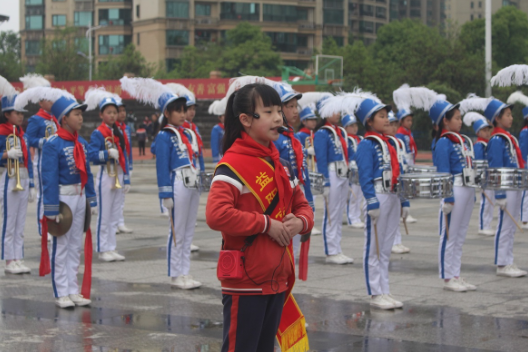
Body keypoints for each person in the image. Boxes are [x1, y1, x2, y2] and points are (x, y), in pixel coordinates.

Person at [206, 83, 312, 352]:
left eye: (280, 110)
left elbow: (304, 206)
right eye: (268, 111)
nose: (279, 118)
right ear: (245, 120)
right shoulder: (231, 166)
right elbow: (216, 215)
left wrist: (300, 223)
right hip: (245, 280)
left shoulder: (280, 164)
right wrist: (266, 224)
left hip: (277, 276)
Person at [121, 77, 201, 288]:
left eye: (184, 109)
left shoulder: (189, 133)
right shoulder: (165, 136)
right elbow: (162, 166)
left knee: (188, 231)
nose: (183, 114)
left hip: (192, 181)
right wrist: (165, 194)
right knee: (176, 230)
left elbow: (195, 158)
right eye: (178, 110)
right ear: (167, 113)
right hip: (177, 182)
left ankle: (185, 271)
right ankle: (176, 274)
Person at [351, 94, 408, 309]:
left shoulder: (390, 142)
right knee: (373, 246)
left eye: (387, 116)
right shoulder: (367, 144)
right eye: (381, 116)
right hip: (378, 194)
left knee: (385, 247)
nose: (387, 120)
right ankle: (375, 293)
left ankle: (385, 289)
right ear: (369, 121)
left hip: (393, 194)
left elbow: (399, 171)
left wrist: (404, 201)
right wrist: (371, 201)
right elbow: (365, 175)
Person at [40, 93, 96, 308]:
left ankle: (73, 289)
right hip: (63, 199)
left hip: (79, 197)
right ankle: (61, 291)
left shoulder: (81, 142)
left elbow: (87, 173)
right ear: (64, 118)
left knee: (75, 245)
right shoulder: (53, 143)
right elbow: (49, 177)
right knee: (61, 245)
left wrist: (91, 198)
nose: (81, 118)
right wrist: (51, 207)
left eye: (81, 114)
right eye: (77, 114)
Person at [431, 98, 478, 292]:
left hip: (467, 187)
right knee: (449, 235)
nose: (460, 121)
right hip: (455, 188)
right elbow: (444, 171)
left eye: (460, 118)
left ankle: (456, 273)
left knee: (460, 234)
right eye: (456, 118)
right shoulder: (443, 142)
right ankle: (447, 276)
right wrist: (447, 196)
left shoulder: (462, 140)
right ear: (445, 121)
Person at [484, 98, 527, 277]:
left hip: (515, 184)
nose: (511, 118)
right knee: (506, 224)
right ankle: (502, 263)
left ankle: (508, 260)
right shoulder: (496, 139)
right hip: (507, 185)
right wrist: (499, 193)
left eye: (511, 114)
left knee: (511, 225)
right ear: (497, 118)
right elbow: (495, 166)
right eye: (507, 115)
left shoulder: (510, 138)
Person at [86, 89, 131, 263]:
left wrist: (126, 177)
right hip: (106, 175)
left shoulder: (118, 132)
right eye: (109, 112)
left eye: (115, 112)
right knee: (104, 215)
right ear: (101, 114)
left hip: (118, 174)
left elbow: (124, 155)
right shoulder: (98, 133)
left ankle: (111, 247)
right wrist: (106, 154)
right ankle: (103, 248)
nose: (113, 115)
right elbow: (91, 155)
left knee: (114, 213)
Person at [272, 83, 314, 260]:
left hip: (297, 192)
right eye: (290, 106)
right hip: (282, 196)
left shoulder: (293, 137)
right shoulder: (275, 137)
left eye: (296, 106)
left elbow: (302, 172)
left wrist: (309, 200)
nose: (295, 111)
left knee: (294, 248)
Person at [0, 76, 35, 275]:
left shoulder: (22, 134)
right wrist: (5, 154)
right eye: (17, 113)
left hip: (22, 175)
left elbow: (28, 160)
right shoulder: (1, 132)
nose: (21, 116)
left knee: (20, 221)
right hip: (8, 176)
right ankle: (8, 260)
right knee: (9, 221)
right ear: (7, 114)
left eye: (22, 113)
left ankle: (18, 257)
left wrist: (30, 184)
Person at [315, 94, 354, 265]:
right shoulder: (323, 133)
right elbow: (321, 159)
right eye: (333, 110)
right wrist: (325, 182)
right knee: (331, 213)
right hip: (331, 173)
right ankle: (331, 250)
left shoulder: (341, 132)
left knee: (339, 212)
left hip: (342, 173)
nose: (337, 113)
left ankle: (337, 247)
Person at [18, 74, 56, 238]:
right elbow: (29, 140)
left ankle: (53, 226)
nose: (52, 102)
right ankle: (43, 229)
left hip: (55, 161)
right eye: (48, 99)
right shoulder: (36, 119)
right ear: (41, 102)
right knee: (43, 196)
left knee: (54, 194)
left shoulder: (56, 119)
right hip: (42, 162)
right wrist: (45, 142)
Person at [463, 112, 495, 236]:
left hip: (490, 177)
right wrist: (480, 179)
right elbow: (478, 163)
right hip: (484, 178)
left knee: (490, 202)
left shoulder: (487, 144)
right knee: (486, 202)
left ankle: (488, 224)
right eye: (484, 130)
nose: (487, 132)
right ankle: (483, 225)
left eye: (488, 130)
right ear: (478, 132)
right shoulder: (479, 145)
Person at [386, 111, 410, 254]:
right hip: (389, 182)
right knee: (390, 214)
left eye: (395, 124)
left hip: (399, 180)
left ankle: (397, 240)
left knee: (397, 212)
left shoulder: (398, 142)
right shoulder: (385, 142)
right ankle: (393, 242)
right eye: (391, 124)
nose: (394, 128)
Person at [395, 109, 418, 224]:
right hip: (404, 160)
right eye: (407, 120)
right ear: (401, 121)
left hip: (410, 159)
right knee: (404, 186)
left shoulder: (409, 133)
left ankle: (405, 210)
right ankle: (402, 211)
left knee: (408, 186)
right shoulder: (399, 134)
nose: (410, 123)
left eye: (411, 120)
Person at [341, 113, 364, 229]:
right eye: (351, 126)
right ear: (345, 128)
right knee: (353, 195)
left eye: (355, 125)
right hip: (352, 169)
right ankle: (351, 218)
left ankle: (357, 216)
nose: (354, 128)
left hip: (361, 168)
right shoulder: (346, 140)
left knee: (359, 195)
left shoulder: (360, 139)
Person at [115, 99, 133, 234]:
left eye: (123, 111)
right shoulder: (113, 128)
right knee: (114, 198)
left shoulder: (125, 128)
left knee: (121, 197)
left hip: (124, 164)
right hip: (114, 166)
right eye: (119, 111)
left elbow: (129, 148)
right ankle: (114, 223)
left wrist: (130, 166)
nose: (122, 114)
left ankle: (120, 222)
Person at [209, 99, 226, 166]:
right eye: (224, 115)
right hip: (220, 157)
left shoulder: (231, 128)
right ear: (219, 117)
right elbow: (214, 146)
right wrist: (215, 160)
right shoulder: (216, 129)